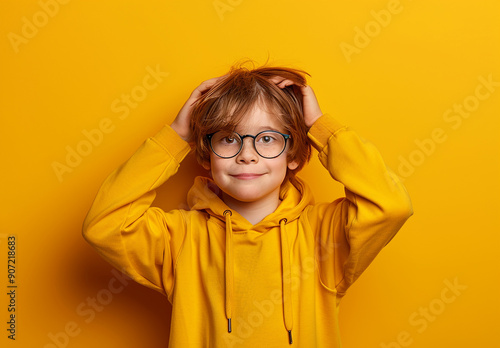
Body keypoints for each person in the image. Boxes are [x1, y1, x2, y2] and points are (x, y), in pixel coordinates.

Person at [82, 61, 413, 347]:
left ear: (294, 154)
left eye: (267, 138)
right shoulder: (180, 238)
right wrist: (175, 136)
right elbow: (105, 224)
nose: (247, 153)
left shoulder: (323, 236)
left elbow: (390, 204)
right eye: (228, 138)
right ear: (205, 154)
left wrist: (319, 127)